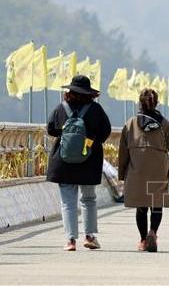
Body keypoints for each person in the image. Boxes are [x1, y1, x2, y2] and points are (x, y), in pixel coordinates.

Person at [46, 75, 112, 251]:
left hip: (63, 162)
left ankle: (70, 241)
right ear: (89, 93)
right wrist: (91, 141)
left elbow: (50, 129)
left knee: (68, 202)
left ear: (70, 91)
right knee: (89, 199)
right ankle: (89, 237)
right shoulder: (96, 109)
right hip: (88, 161)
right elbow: (106, 131)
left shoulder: (61, 108)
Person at [118, 88, 169, 252]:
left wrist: (122, 172)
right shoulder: (164, 124)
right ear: (156, 103)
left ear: (140, 103)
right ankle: (153, 232)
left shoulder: (130, 123)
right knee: (156, 204)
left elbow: (123, 151)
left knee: (141, 206)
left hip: (137, 167)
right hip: (158, 167)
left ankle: (143, 240)